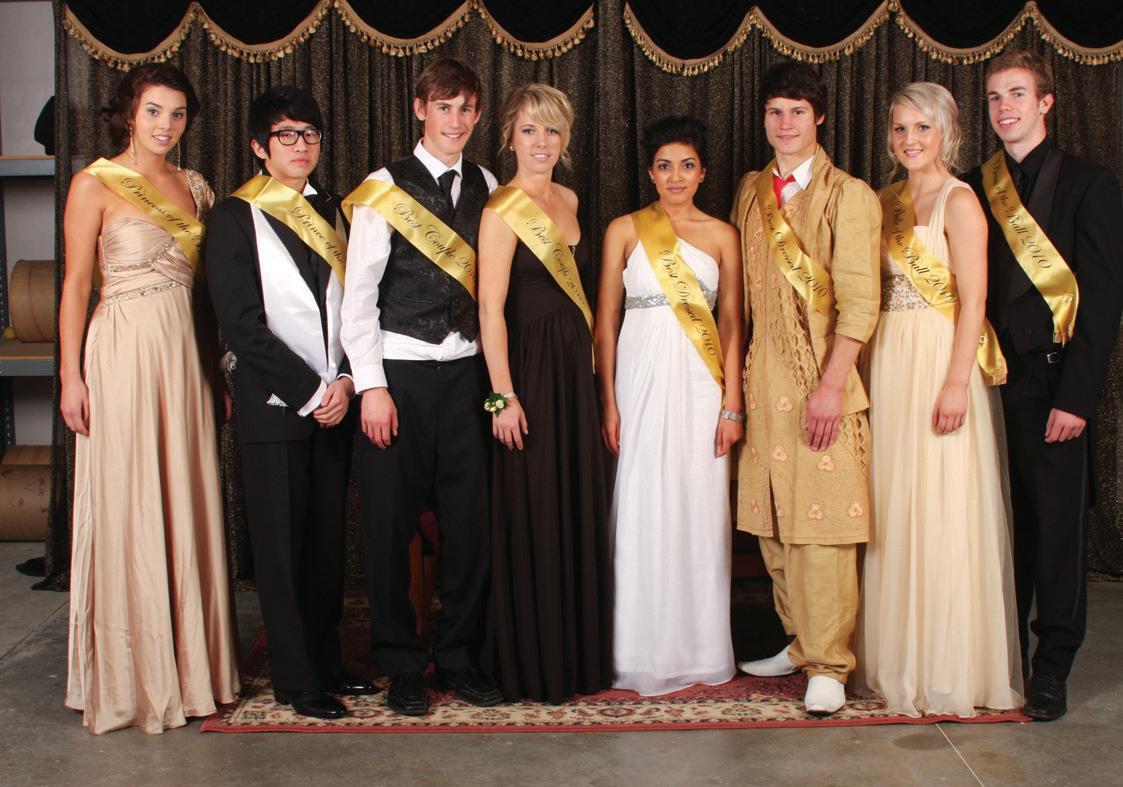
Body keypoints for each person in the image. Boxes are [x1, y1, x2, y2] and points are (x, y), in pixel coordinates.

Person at [59, 63, 239, 734]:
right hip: (123, 353)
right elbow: (76, 285)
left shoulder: (196, 187)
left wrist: (218, 372)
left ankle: (192, 668)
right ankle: (135, 675)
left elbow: (208, 293)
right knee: (132, 498)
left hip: (184, 355)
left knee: (185, 495)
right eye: (154, 111)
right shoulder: (95, 183)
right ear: (129, 113)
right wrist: (70, 377)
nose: (166, 125)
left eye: (178, 114)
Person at [854, 82, 1023, 717]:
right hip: (890, 357)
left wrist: (957, 381)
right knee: (894, 503)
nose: (910, 140)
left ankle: (946, 667)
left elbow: (974, 300)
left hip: (938, 358)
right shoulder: (884, 200)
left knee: (939, 503)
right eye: (900, 128)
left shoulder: (960, 200)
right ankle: (897, 658)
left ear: (947, 132)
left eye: (922, 128)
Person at [964, 50, 1123, 721]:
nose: (1004, 108)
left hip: (1054, 382)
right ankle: (1005, 658)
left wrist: (1077, 398)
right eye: (995, 97)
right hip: (988, 382)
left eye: (1017, 94)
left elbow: (1102, 301)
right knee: (1000, 528)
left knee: (1056, 533)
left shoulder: (1090, 184)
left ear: (1046, 102)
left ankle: (1052, 664)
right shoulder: (973, 186)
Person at [341, 58, 502, 716]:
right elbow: (357, 298)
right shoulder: (384, 187)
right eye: (443, 107)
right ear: (419, 109)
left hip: (466, 375)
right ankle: (402, 662)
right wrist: (371, 388)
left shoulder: (488, 184)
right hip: (399, 374)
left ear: (477, 115)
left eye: (465, 109)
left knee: (469, 526)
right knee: (388, 526)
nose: (454, 121)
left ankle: (458, 655)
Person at [206, 86, 371, 720]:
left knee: (326, 546)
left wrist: (348, 382)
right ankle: (296, 680)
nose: (300, 146)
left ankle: (327, 663)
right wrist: (311, 392)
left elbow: (357, 308)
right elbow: (241, 325)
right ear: (259, 146)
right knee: (281, 548)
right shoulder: (233, 216)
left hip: (337, 402)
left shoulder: (335, 210)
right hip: (277, 407)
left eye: (310, 134)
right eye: (286, 135)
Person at [731, 62, 881, 716]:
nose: (785, 123)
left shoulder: (849, 195)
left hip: (822, 384)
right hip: (761, 383)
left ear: (819, 118)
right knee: (773, 525)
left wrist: (831, 385)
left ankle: (829, 663)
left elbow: (860, 303)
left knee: (822, 528)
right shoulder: (749, 190)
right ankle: (798, 643)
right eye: (775, 111)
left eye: (797, 111)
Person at [596, 116, 743, 696]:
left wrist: (732, 405)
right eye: (664, 166)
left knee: (697, 505)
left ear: (703, 172)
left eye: (686, 165)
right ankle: (635, 649)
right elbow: (605, 323)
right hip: (639, 380)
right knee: (641, 503)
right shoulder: (624, 229)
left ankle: (699, 649)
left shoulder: (723, 235)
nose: (675, 176)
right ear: (650, 172)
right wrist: (608, 402)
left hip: (702, 385)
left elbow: (732, 324)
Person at [478, 83, 612, 703]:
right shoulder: (500, 209)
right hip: (528, 371)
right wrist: (502, 397)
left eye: (552, 130)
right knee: (535, 505)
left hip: (572, 370)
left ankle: (579, 659)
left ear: (566, 138)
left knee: (574, 498)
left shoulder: (569, 198)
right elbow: (490, 311)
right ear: (509, 136)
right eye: (529, 129)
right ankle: (536, 665)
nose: (541, 142)